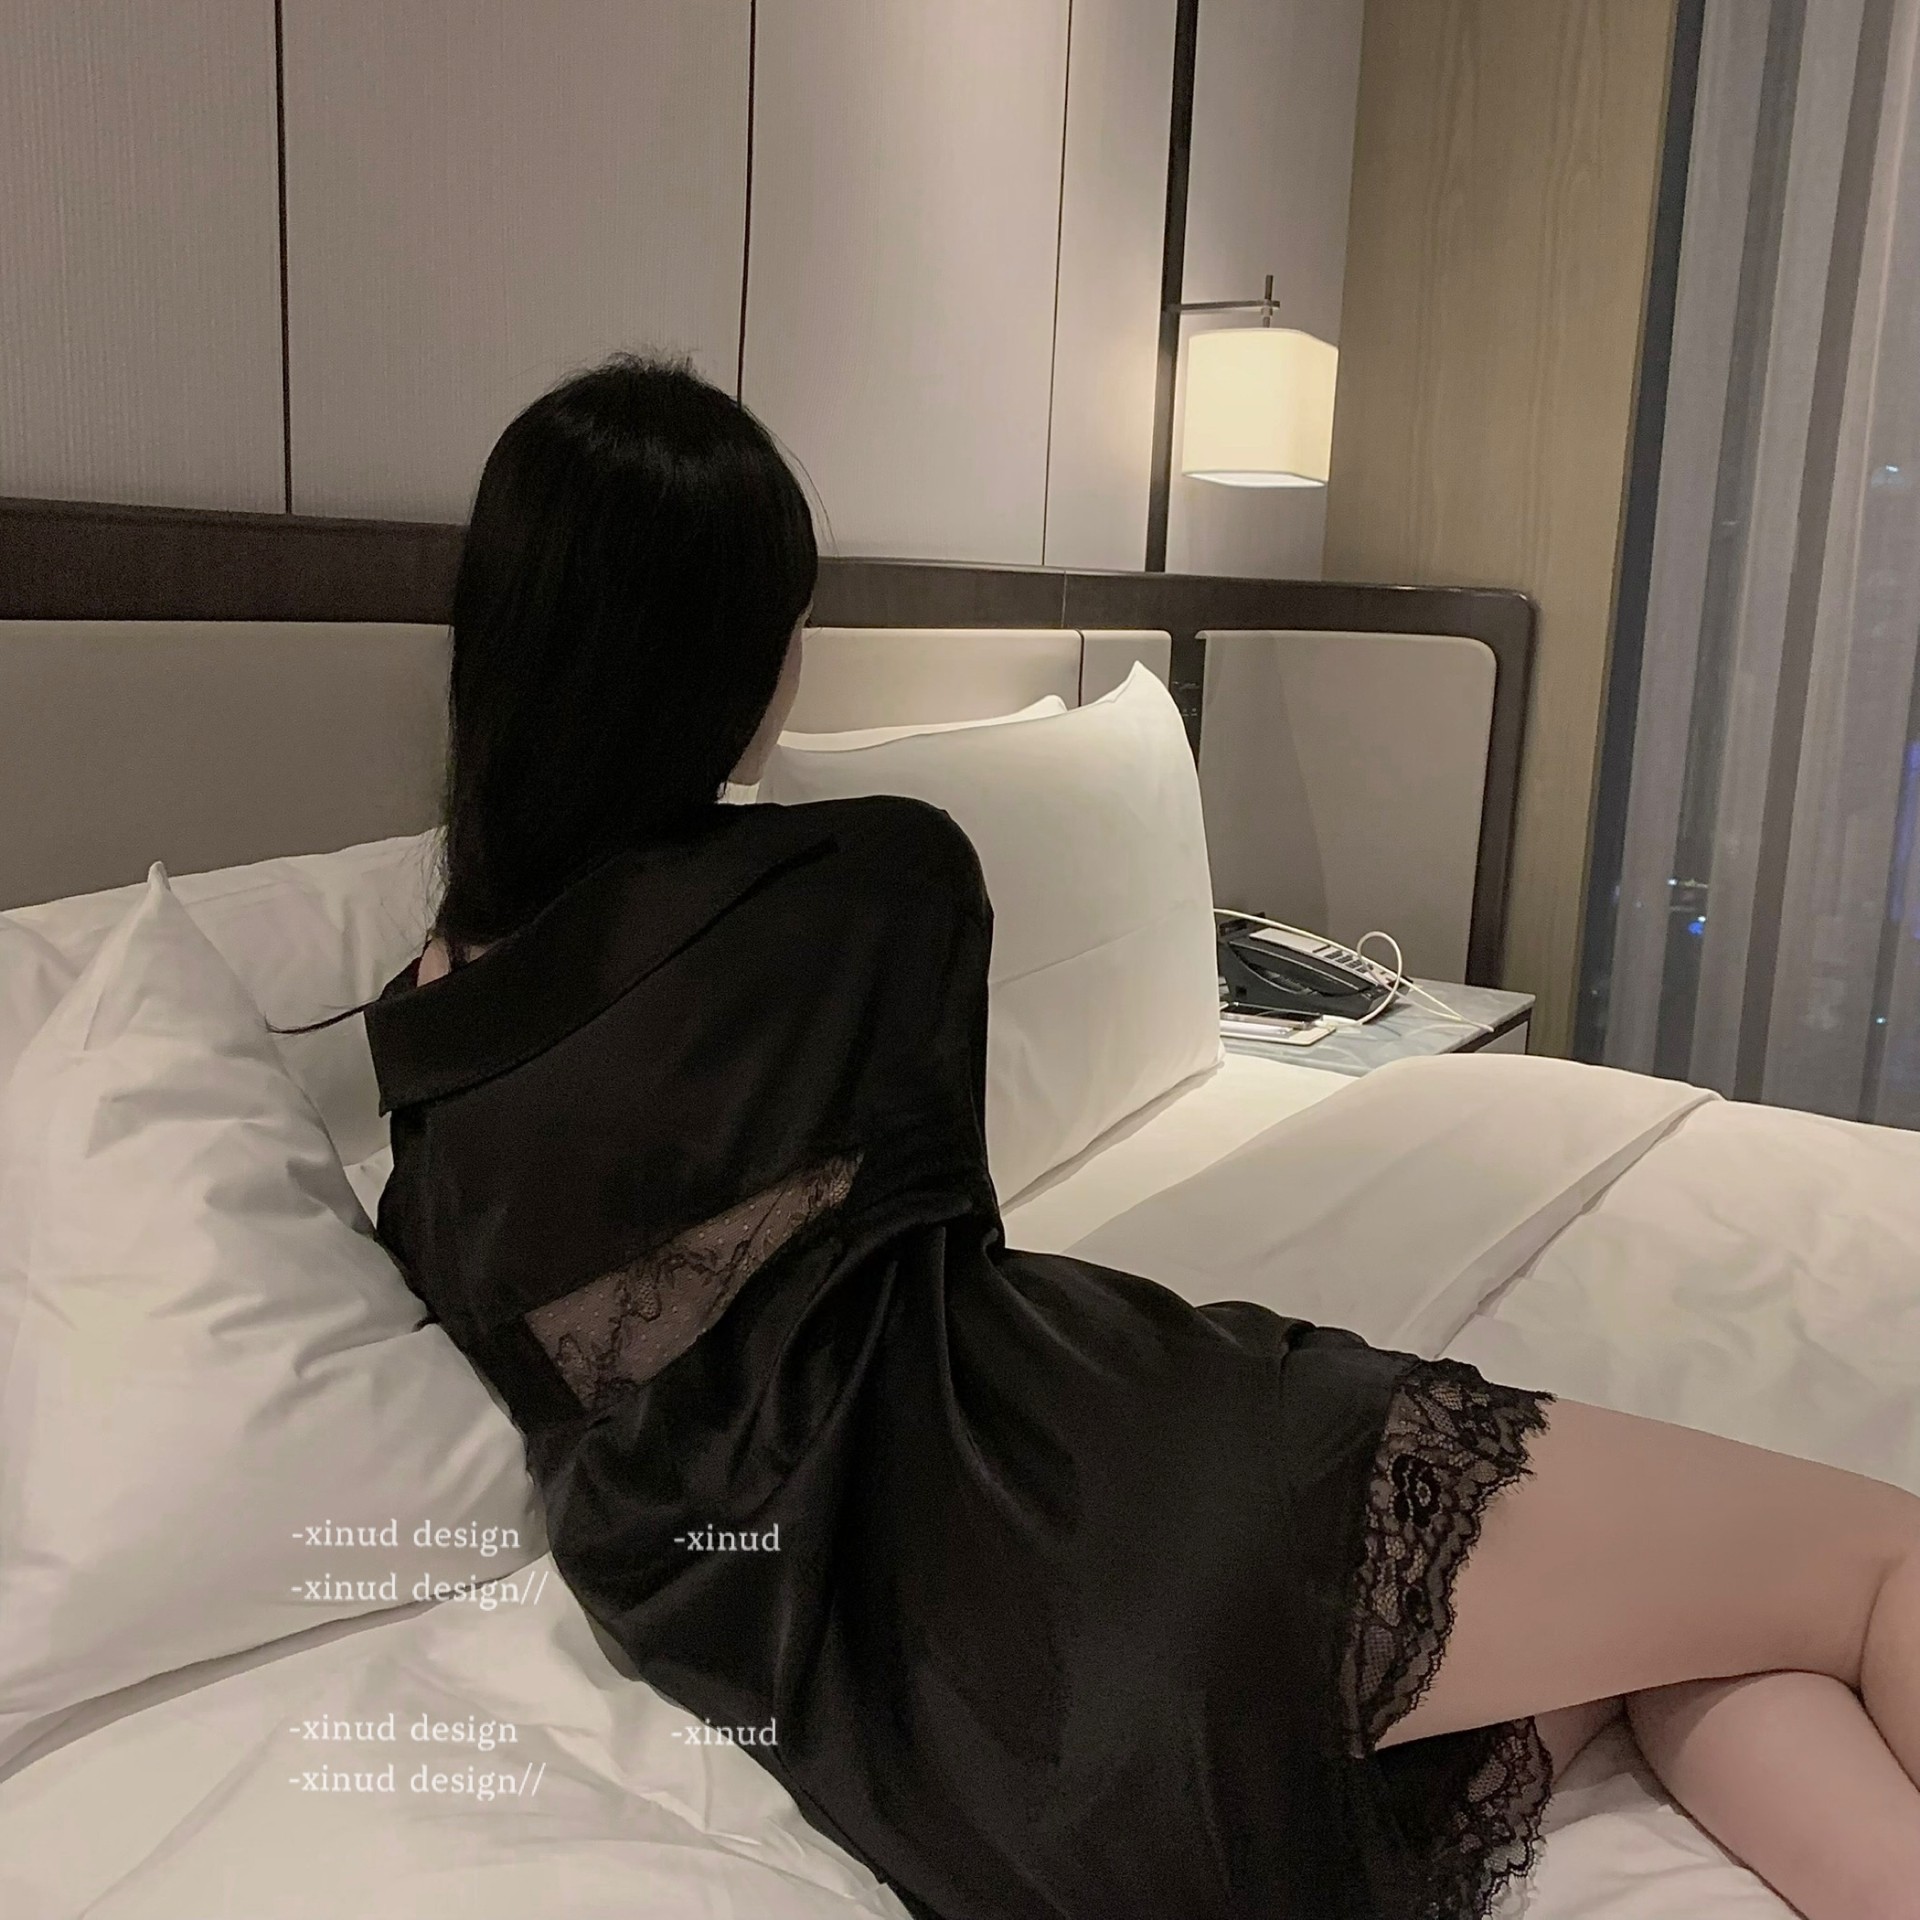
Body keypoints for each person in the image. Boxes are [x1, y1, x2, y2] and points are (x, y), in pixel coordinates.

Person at [363, 353, 1920, 1920]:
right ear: (725, 654)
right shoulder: (871, 882)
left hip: (957, 1736)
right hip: (1120, 1503)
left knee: (1706, 1635)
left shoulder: (426, 1075)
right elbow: (937, 1237)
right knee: (1876, 1557)